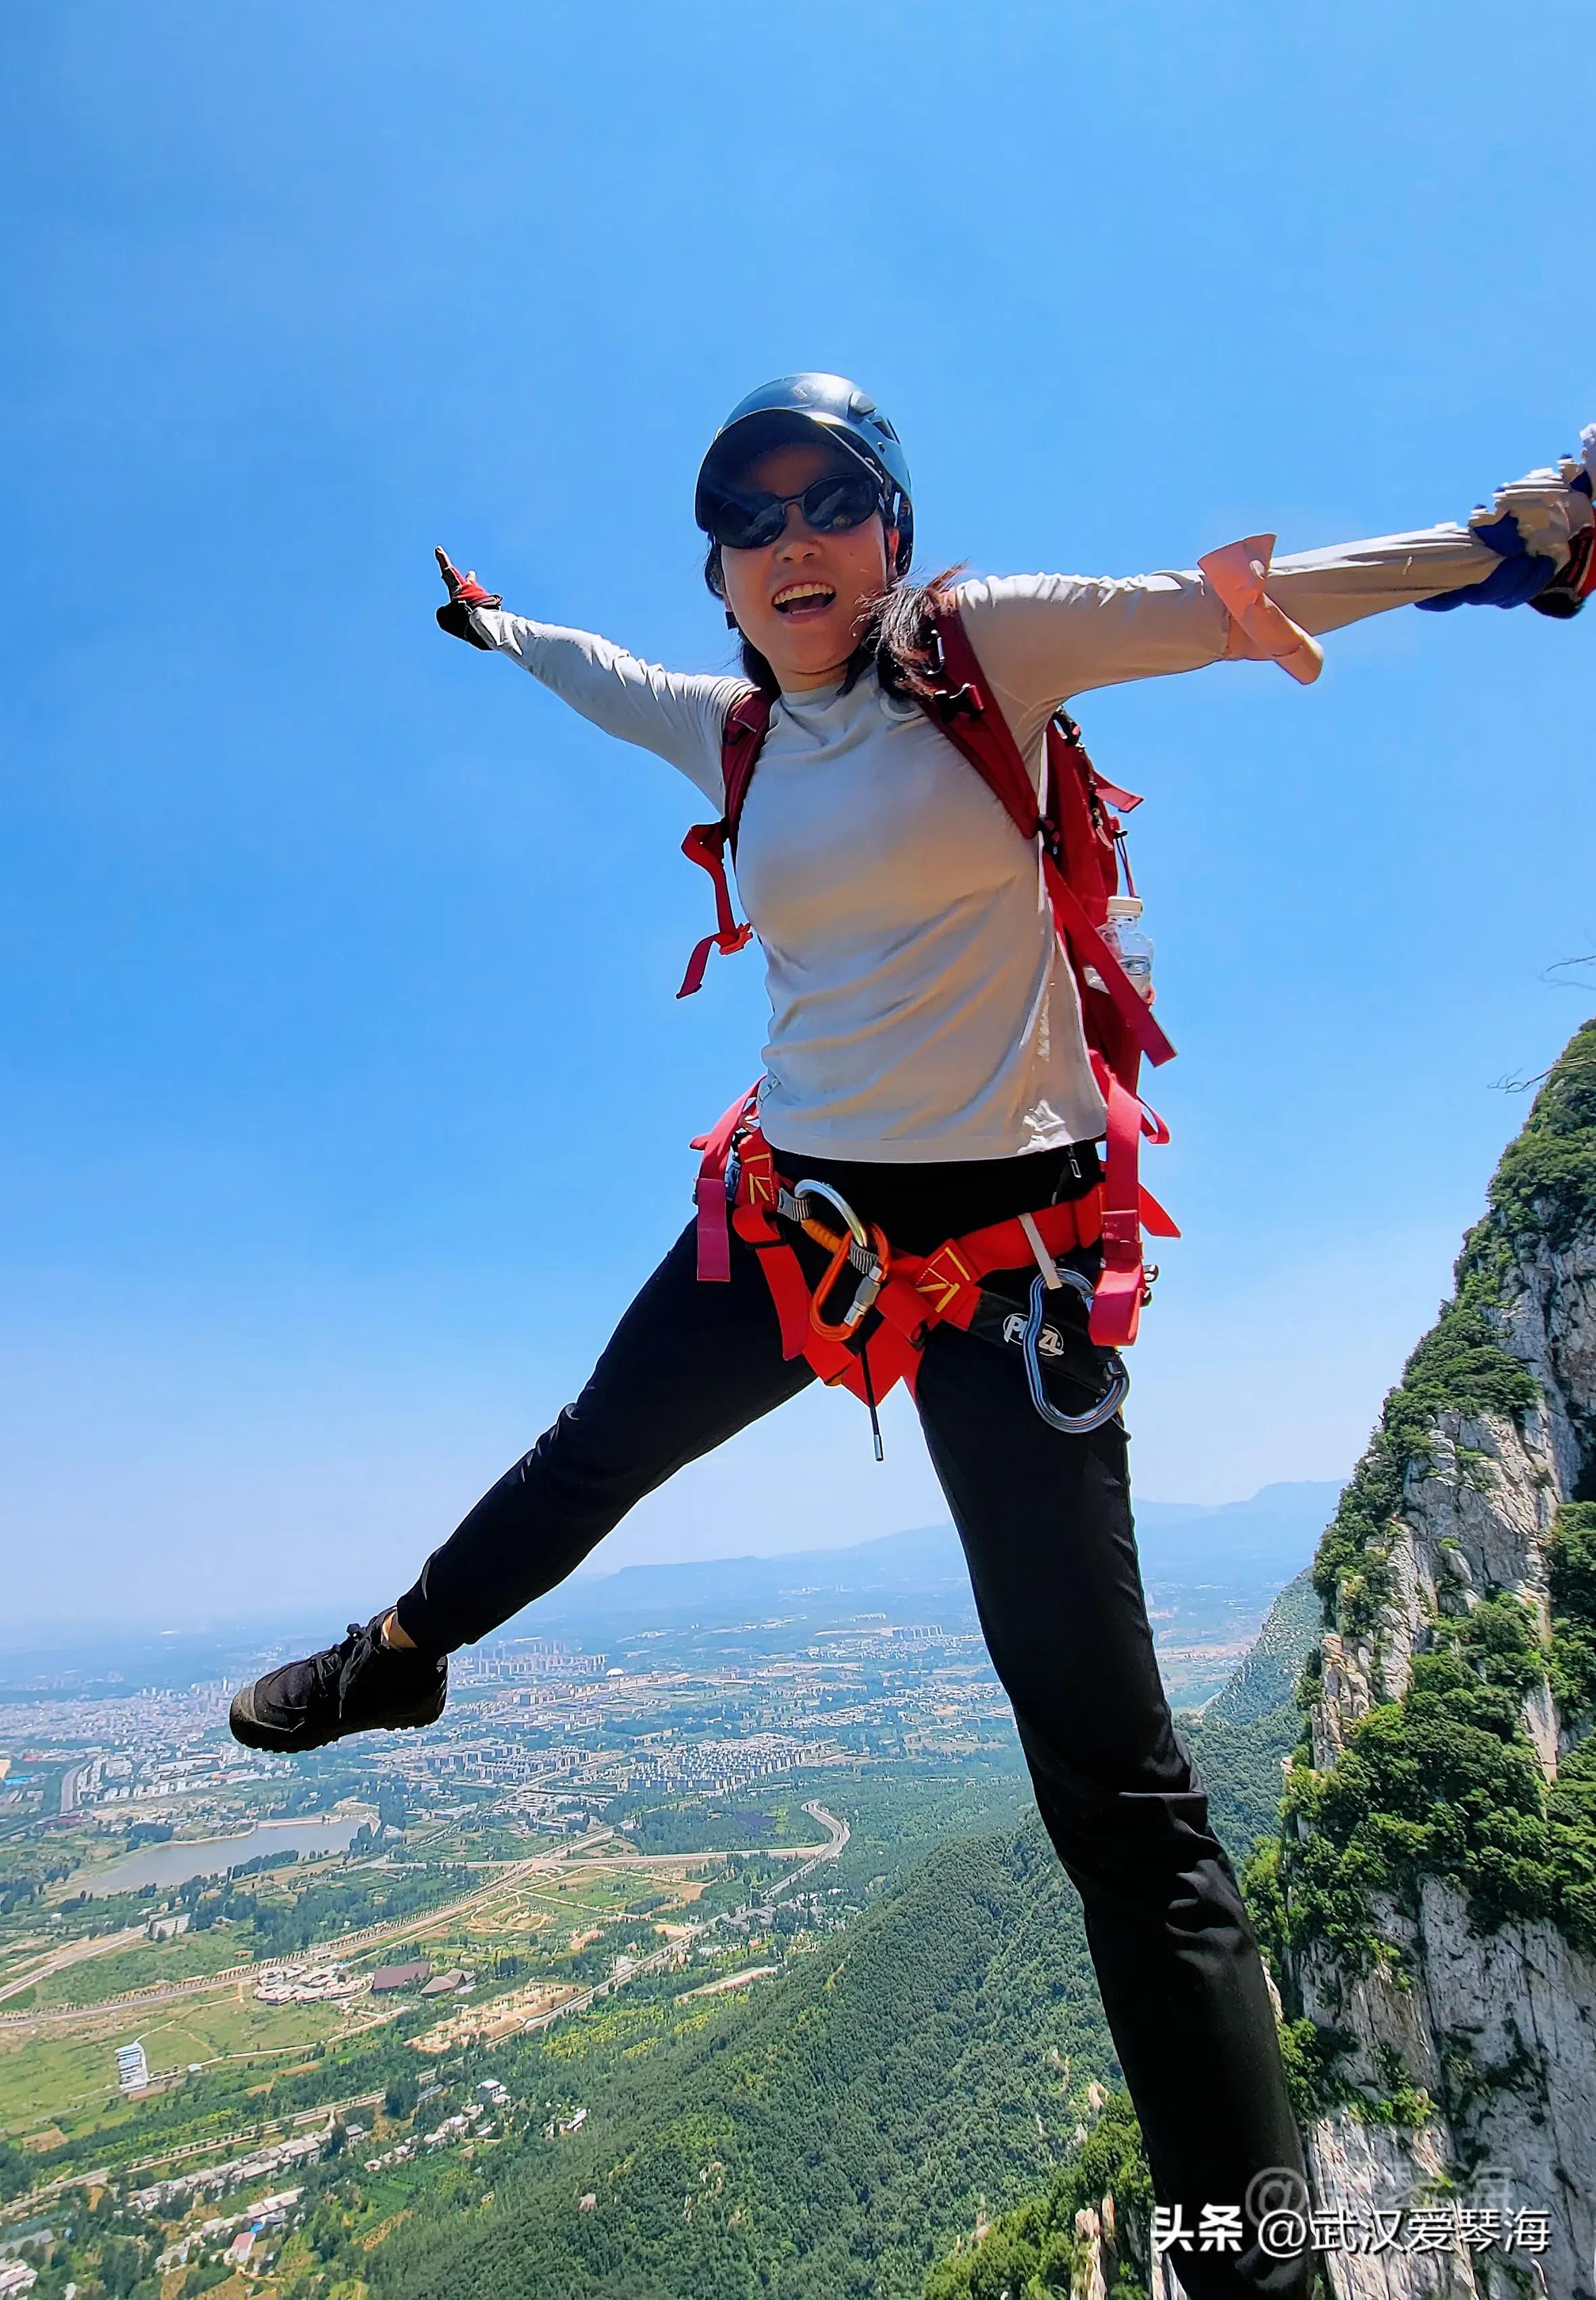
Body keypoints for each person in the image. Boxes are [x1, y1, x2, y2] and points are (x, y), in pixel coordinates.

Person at [227, 377, 1592, 2296]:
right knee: (592, 1450)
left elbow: (1226, 608)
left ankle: (1258, 2273)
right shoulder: (724, 734)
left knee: (1118, 1798)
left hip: (1006, 1269)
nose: (790, 541)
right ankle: (394, 1656)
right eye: (748, 516)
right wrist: (486, 626)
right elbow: (583, 669)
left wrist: (1512, 542)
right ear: (718, 573)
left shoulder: (986, 655)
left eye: (828, 503)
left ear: (887, 533)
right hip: (792, 1222)